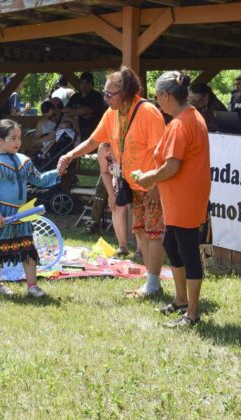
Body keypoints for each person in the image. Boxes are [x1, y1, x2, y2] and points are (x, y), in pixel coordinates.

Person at [58, 65, 166, 298]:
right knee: (141, 231)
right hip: (133, 185)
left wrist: (157, 184)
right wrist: (69, 155)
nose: (105, 98)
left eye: (110, 94)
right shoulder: (111, 114)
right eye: (105, 93)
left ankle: (154, 284)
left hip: (153, 184)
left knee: (155, 233)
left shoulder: (148, 112)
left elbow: (161, 153)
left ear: (126, 92)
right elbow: (92, 142)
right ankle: (151, 281)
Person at [133, 71, 211, 327]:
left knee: (187, 252)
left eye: (157, 97)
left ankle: (193, 313)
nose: (156, 102)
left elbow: (172, 167)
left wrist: (149, 178)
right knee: (171, 244)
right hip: (180, 197)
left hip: (184, 198)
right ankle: (180, 300)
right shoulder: (189, 116)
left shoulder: (180, 123)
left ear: (166, 96)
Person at [0, 119, 60, 298]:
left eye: (19, 138)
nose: (17, 142)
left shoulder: (24, 161)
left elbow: (38, 179)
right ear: (0, 140)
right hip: (0, 216)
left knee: (28, 248)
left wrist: (57, 172)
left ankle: (32, 286)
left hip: (21, 214)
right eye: (13, 138)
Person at [64, 72, 107, 141]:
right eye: (82, 82)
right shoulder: (75, 96)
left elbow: (85, 111)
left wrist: (73, 112)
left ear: (92, 84)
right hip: (76, 130)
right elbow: (65, 110)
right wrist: (78, 112)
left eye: (87, 83)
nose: (84, 85)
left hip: (92, 130)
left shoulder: (96, 96)